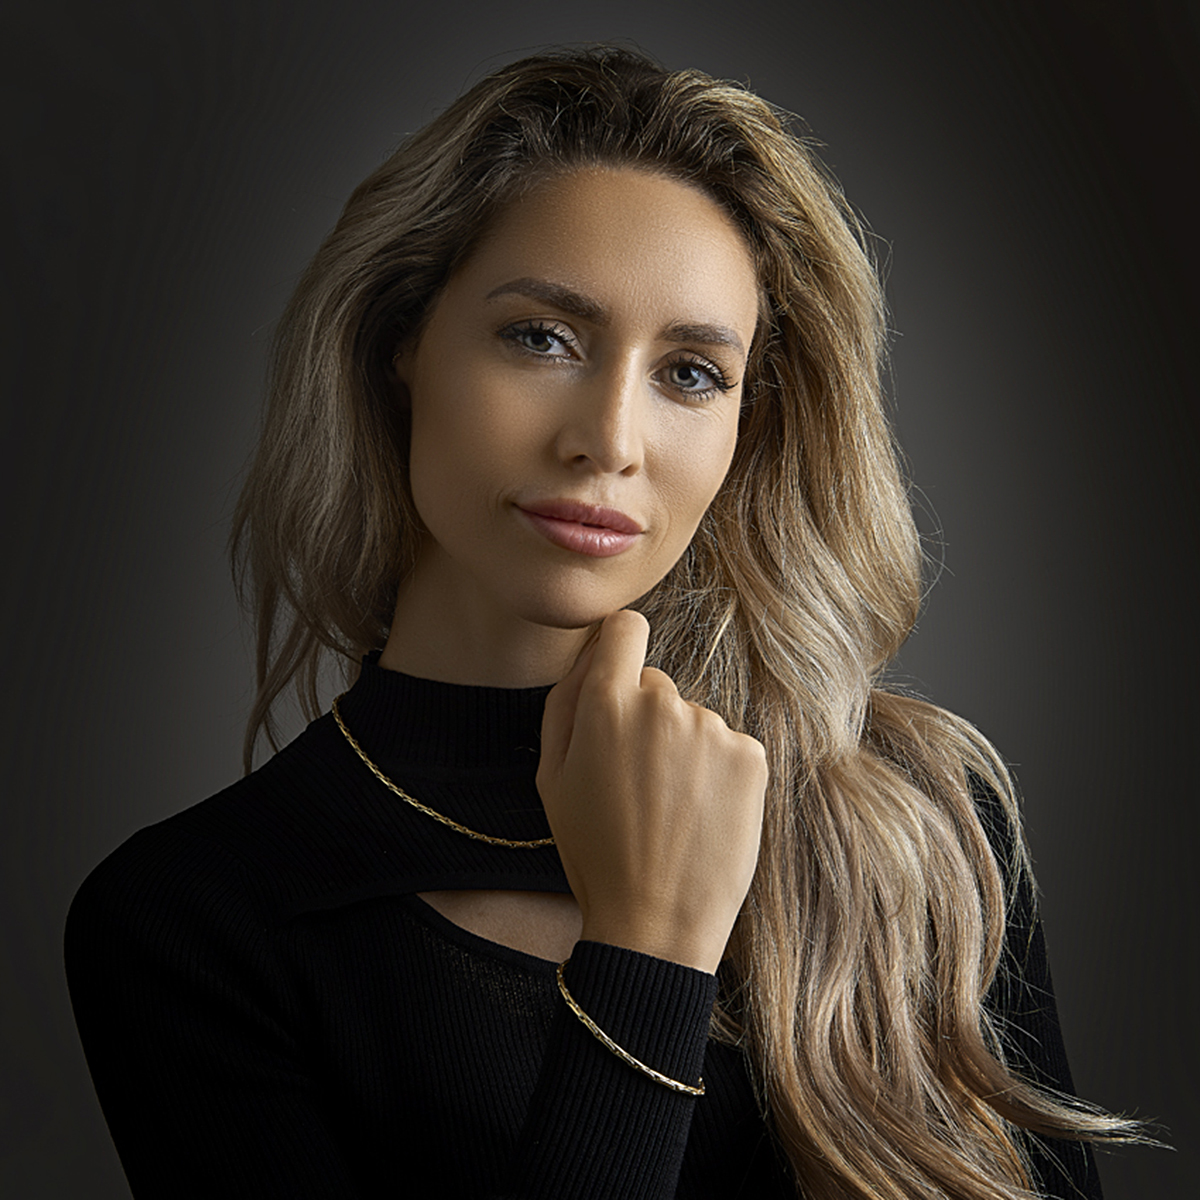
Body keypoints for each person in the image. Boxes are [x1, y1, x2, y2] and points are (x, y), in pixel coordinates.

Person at [65, 45, 1139, 1199]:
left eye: (691, 373)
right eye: (543, 337)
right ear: (400, 342)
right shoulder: (188, 924)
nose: (610, 440)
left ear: (747, 424)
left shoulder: (921, 828)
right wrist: (648, 952)